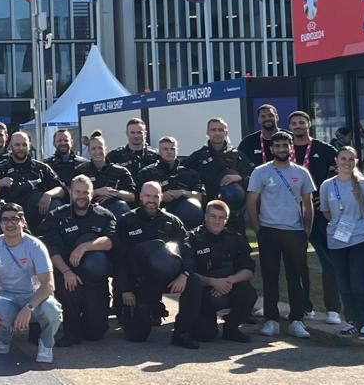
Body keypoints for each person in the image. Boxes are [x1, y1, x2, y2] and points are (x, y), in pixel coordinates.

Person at [245, 131, 317, 339]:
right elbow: (251, 202)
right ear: (271, 148)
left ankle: (297, 320)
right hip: (269, 231)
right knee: (270, 277)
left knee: (296, 278)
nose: (281, 149)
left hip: (295, 232)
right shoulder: (260, 172)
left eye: (285, 145)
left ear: (291, 147)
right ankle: (271, 320)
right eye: (277, 146)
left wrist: (306, 230)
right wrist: (258, 228)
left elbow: (308, 203)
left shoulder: (301, 172)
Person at [0, 201, 62, 362]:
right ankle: (5, 337)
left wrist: (28, 308)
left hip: (34, 295)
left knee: (52, 310)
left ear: (23, 221)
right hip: (6, 295)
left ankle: (46, 343)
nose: (10, 224)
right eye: (5, 220)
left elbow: (48, 285)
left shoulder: (35, 245)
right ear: (0, 223)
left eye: (14, 219)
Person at [39, 174, 116, 347]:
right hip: (67, 273)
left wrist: (85, 247)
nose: (82, 196)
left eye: (86, 192)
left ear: (92, 193)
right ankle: (70, 330)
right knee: (68, 289)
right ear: (71, 192)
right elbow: (51, 249)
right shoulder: (56, 216)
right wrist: (67, 272)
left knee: (95, 334)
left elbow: (111, 241)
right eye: (77, 192)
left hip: (94, 277)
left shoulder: (104, 215)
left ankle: (89, 320)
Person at [171, 200, 254, 349]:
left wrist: (230, 280)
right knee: (205, 334)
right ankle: (182, 333)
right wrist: (213, 282)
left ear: (226, 220)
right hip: (202, 293)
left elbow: (249, 269)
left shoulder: (235, 238)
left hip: (228, 286)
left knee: (248, 292)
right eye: (213, 216)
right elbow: (189, 272)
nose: (217, 221)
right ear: (205, 217)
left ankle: (231, 329)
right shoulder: (192, 238)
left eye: (221, 217)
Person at [286, 110, 343, 325]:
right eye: (294, 123)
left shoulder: (325, 149)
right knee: (297, 262)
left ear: (309, 124)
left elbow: (340, 176)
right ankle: (305, 306)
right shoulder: (284, 150)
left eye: (302, 122)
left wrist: (326, 199)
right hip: (292, 214)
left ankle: (333, 309)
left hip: (319, 214)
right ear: (290, 127)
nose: (298, 126)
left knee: (329, 261)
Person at [112, 182, 188, 342]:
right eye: (147, 196)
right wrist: (125, 289)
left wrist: (184, 274)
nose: (151, 200)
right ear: (140, 196)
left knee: (193, 281)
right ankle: (144, 308)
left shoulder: (172, 222)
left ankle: (184, 331)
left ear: (161, 197)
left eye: (155, 196)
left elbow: (188, 250)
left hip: (162, 279)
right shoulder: (126, 221)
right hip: (135, 281)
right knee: (136, 336)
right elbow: (119, 258)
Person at [320, 147, 364, 339]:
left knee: (359, 284)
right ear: (336, 160)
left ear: (356, 161)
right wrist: (341, 225)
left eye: (351, 159)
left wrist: (361, 227)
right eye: (343, 158)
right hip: (337, 240)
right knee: (344, 284)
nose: (347, 162)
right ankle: (353, 320)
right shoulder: (327, 185)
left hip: (361, 239)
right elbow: (326, 212)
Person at [184, 118, 251, 235]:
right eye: (213, 130)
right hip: (207, 210)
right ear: (207, 132)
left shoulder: (237, 156)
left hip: (233, 213)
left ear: (226, 132)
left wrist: (240, 177)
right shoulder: (197, 157)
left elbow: (254, 175)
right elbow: (185, 177)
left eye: (220, 130)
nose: (217, 133)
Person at [0, 130, 60, 227]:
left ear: (29, 146)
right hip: (9, 217)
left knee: (56, 204)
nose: (21, 148)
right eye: (17, 145)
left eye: (24, 145)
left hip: (38, 214)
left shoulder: (41, 168)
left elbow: (60, 188)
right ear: (10, 146)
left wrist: (48, 195)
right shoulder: (0, 168)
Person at [75, 135, 136, 216]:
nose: (97, 152)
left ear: (106, 149)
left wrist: (114, 193)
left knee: (121, 206)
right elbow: (73, 195)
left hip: (115, 209)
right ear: (89, 151)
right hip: (89, 212)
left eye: (100, 148)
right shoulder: (81, 171)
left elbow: (132, 196)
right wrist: (97, 192)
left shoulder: (120, 171)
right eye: (93, 149)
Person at [238, 104, 283, 172]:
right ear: (259, 120)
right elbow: (239, 165)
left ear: (277, 117)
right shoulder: (248, 142)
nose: (267, 118)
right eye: (263, 116)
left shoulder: (289, 137)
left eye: (270, 115)